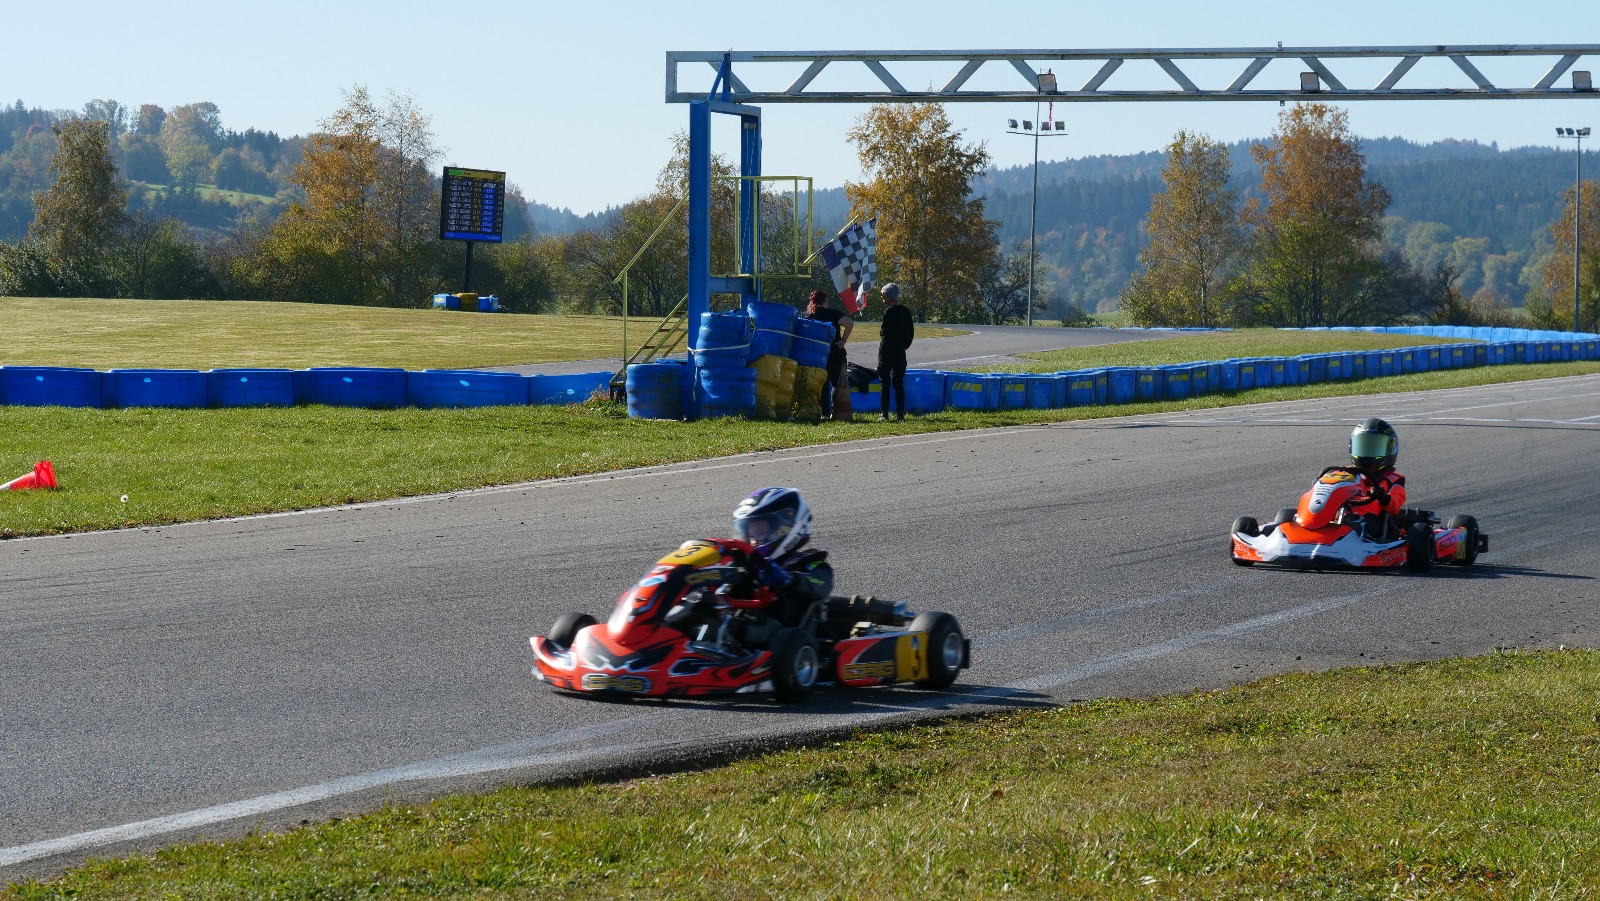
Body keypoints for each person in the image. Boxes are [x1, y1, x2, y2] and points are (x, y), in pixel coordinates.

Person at [727, 486, 834, 627]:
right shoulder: (747, 569)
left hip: (788, 635)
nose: (753, 542)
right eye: (750, 534)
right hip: (744, 628)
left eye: (760, 532)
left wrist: (788, 580)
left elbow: (821, 583)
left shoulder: (810, 562)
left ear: (787, 526)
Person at [1341, 417, 1407, 535]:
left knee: (1364, 524)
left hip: (1369, 525)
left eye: (1373, 448)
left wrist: (1384, 497)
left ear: (1390, 449)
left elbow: (1395, 506)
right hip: (1341, 518)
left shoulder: (1393, 481)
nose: (1367, 453)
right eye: (1363, 447)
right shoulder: (1345, 474)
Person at [804, 289, 853, 418]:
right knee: (836, 383)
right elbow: (849, 323)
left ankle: (824, 412)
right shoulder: (833, 314)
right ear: (825, 301)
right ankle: (836, 412)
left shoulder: (809, 317)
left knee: (822, 384)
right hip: (836, 352)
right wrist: (843, 340)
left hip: (818, 355)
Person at [877, 283, 914, 421]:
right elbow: (910, 332)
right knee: (898, 382)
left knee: (884, 382)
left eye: (883, 295)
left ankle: (884, 413)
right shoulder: (906, 311)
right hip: (900, 351)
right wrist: (904, 345)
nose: (882, 298)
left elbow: (884, 332)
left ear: (888, 296)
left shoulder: (889, 312)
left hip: (887, 350)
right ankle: (900, 413)